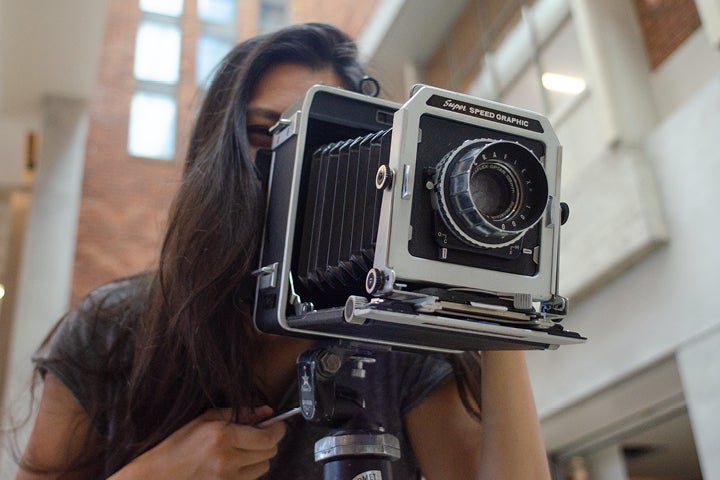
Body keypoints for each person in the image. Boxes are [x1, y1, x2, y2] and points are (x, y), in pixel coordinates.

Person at [16, 23, 551, 480]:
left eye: (315, 139)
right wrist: (158, 473)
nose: (289, 162)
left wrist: (498, 310)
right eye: (263, 132)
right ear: (215, 156)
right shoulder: (113, 330)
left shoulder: (394, 340)